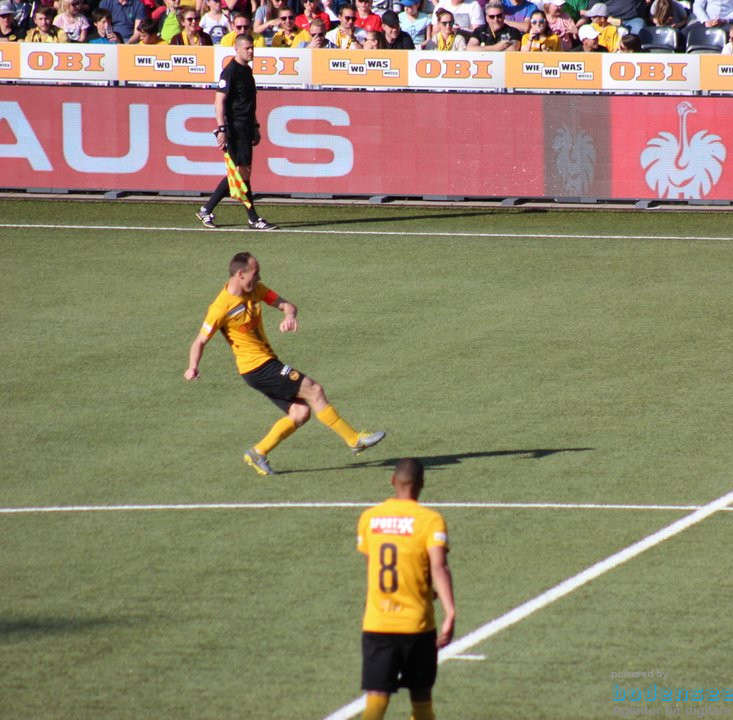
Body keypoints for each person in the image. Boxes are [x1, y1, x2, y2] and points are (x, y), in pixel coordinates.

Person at [185, 252, 387, 476]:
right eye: (256, 273)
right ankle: (354, 439)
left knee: (300, 413)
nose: (259, 278)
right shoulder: (220, 308)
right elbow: (200, 340)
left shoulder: (256, 290)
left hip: (265, 363)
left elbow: (286, 305)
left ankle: (257, 452)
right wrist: (193, 366)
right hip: (257, 367)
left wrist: (289, 316)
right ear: (240, 274)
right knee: (314, 389)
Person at [356, 458, 455, 720]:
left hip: (378, 623)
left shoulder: (369, 518)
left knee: (376, 702)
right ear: (422, 484)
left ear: (392, 481)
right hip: (417, 626)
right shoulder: (430, 521)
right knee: (421, 701)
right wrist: (450, 611)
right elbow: (439, 567)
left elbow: (372, 564)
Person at [196, 36, 277, 231]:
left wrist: (256, 126)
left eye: (252, 48)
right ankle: (252, 218)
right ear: (237, 49)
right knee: (241, 173)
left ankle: (207, 209)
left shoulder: (247, 71)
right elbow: (219, 101)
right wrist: (221, 129)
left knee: (240, 173)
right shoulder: (230, 72)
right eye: (247, 48)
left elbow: (249, 103)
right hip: (235, 127)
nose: (251, 51)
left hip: (247, 126)